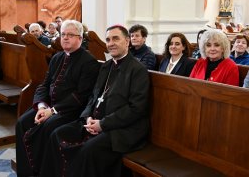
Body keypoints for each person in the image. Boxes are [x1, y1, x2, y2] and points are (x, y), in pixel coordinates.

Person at [39, 24, 150, 177]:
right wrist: (87, 116)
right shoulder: (106, 66)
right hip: (95, 121)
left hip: (122, 129)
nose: (111, 43)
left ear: (127, 41)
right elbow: (93, 96)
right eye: (108, 39)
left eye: (115, 39)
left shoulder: (138, 70)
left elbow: (136, 109)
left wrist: (102, 124)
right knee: (57, 134)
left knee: (87, 151)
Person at [15, 20, 101, 177]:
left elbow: (80, 96)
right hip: (48, 107)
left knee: (47, 127)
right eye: (63, 35)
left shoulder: (89, 62)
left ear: (80, 39)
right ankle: (26, 172)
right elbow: (44, 85)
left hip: (71, 111)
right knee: (22, 122)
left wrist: (53, 111)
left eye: (70, 35)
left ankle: (41, 171)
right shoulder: (57, 57)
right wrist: (41, 106)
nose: (65, 38)